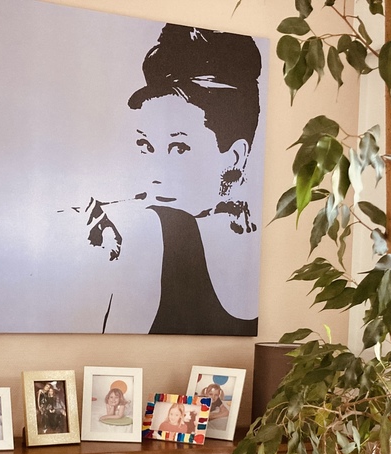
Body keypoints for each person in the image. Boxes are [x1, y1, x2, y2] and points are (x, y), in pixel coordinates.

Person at [73, 23, 263, 335]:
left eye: (179, 148)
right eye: (145, 146)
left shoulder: (158, 230)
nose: (154, 175)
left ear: (235, 157)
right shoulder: (147, 229)